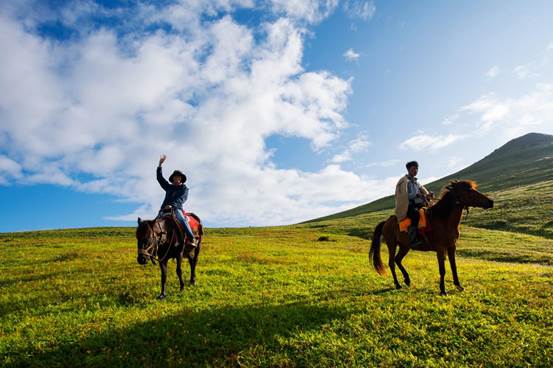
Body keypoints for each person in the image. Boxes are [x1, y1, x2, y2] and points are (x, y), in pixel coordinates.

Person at [156, 154, 196, 247]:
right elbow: (160, 179)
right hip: (164, 209)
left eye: (178, 177)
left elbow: (182, 199)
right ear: (173, 178)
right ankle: (156, 243)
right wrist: (159, 165)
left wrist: (172, 205)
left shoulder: (184, 189)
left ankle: (191, 238)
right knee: (156, 222)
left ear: (181, 179)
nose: (177, 178)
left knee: (182, 219)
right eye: (175, 177)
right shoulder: (169, 187)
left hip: (176, 209)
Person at [395, 161, 431, 244]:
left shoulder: (417, 182)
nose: (415, 170)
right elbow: (405, 196)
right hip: (409, 205)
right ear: (408, 169)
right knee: (416, 215)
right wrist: (417, 194)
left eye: (417, 169)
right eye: (413, 169)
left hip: (419, 203)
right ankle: (413, 238)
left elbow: (423, 191)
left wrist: (428, 195)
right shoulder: (404, 182)